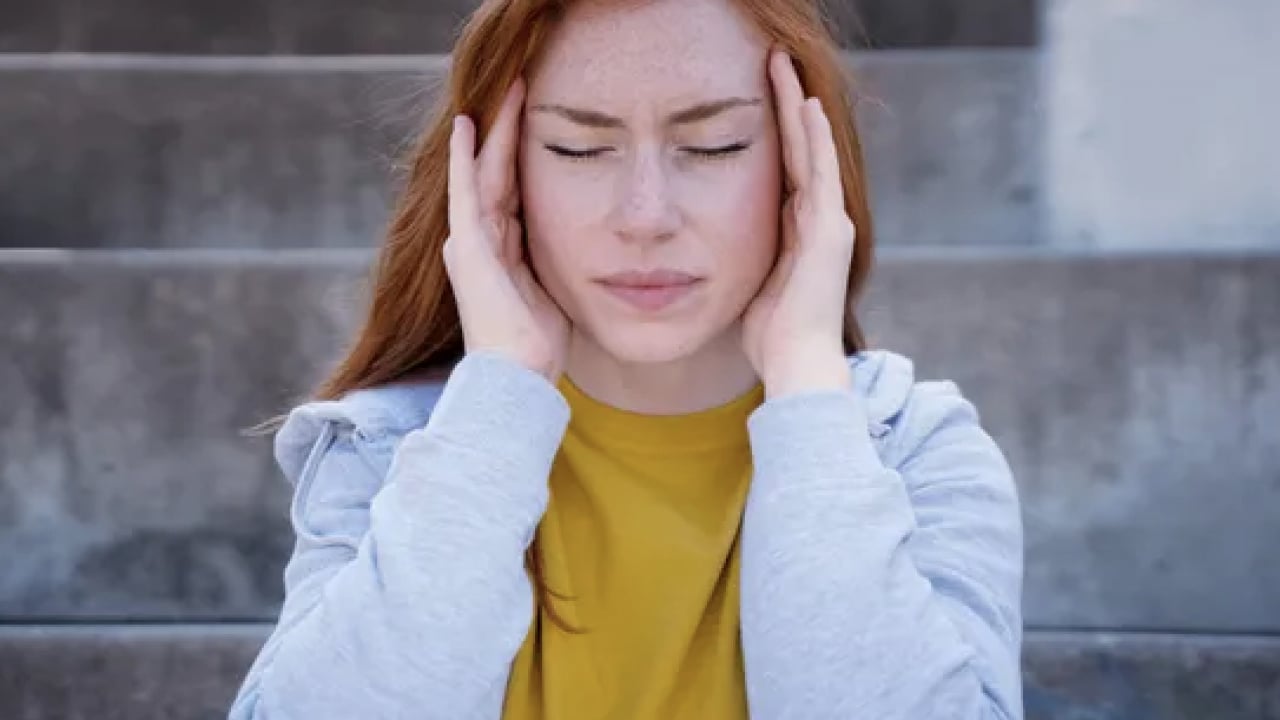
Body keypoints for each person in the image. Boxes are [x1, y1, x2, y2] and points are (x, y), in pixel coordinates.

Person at [228, 0, 1024, 717]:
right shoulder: (384, 453)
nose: (645, 215)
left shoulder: (918, 452)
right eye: (579, 149)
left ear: (800, 166)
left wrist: (810, 384)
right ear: (497, 179)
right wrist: (498, 393)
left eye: (715, 146)